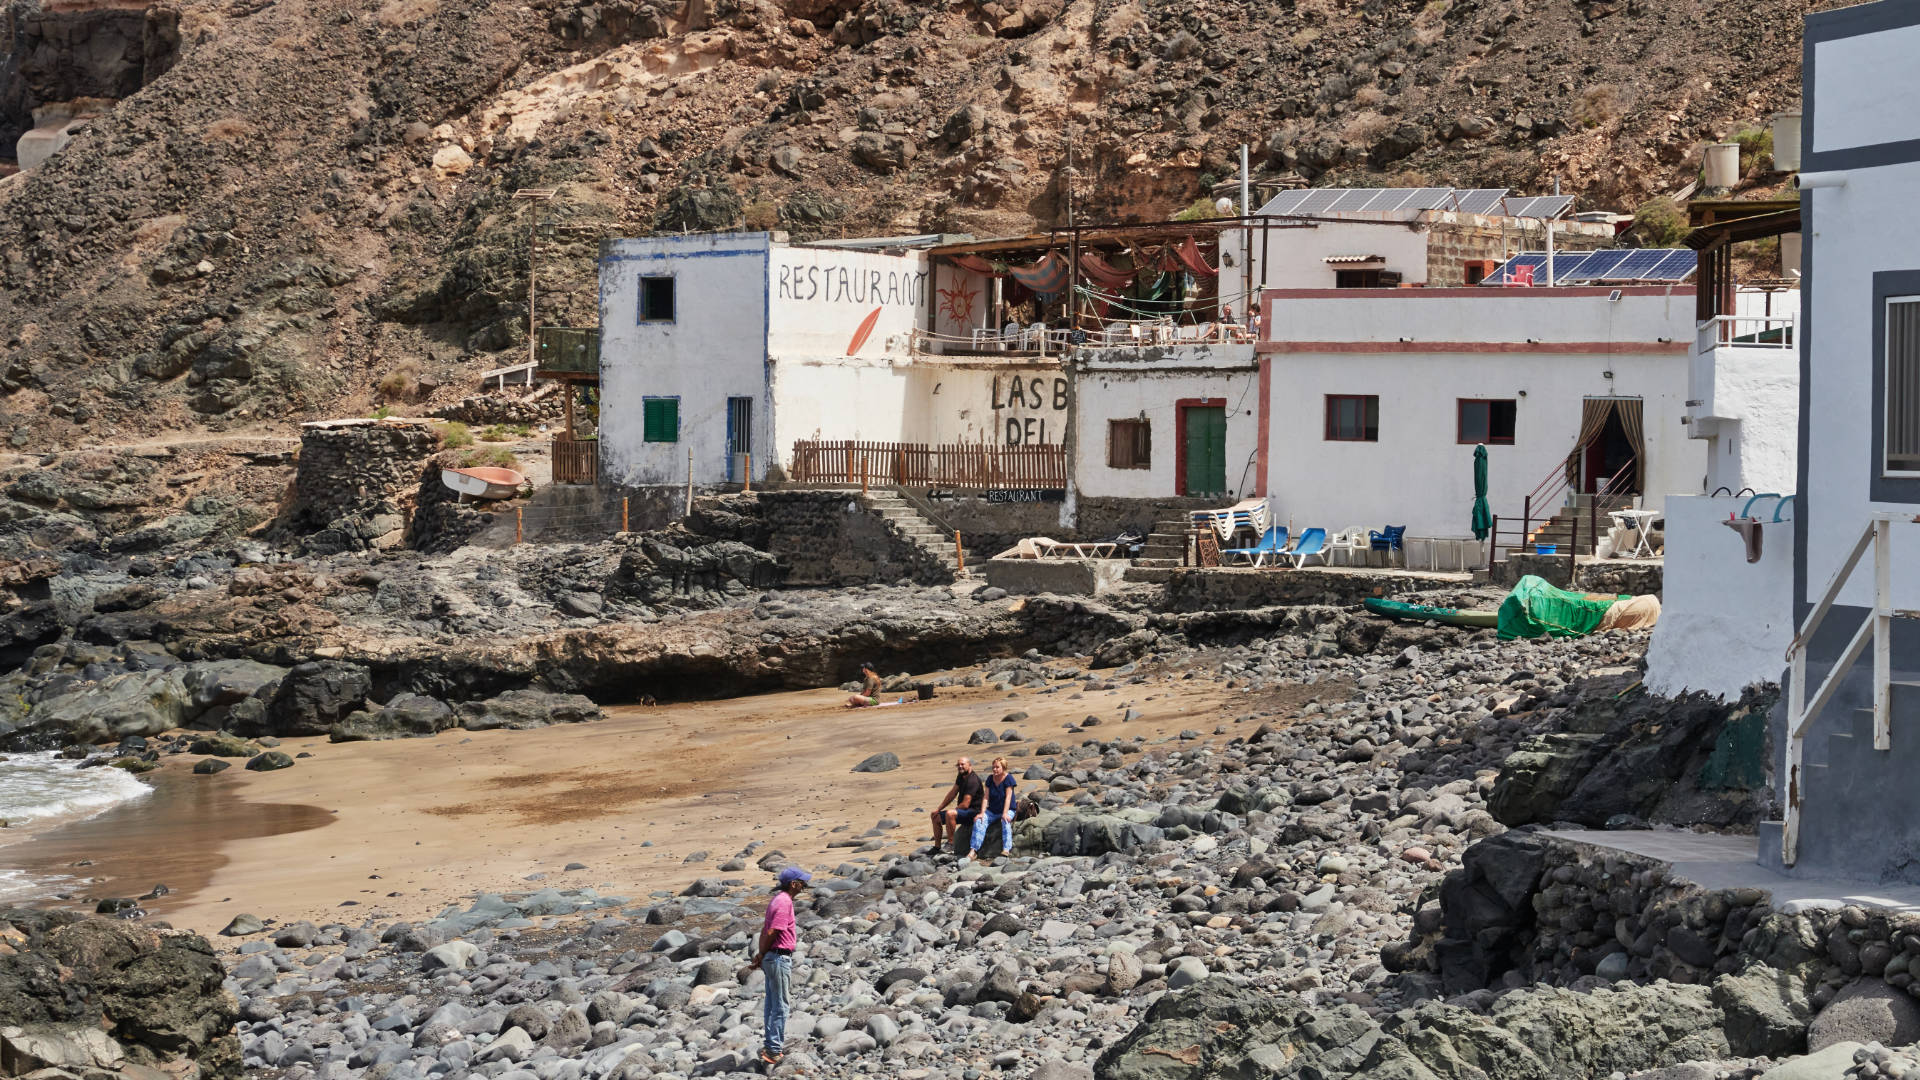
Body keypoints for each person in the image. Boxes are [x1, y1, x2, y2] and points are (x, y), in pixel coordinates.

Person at [739, 866, 810, 1067]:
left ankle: (771, 1045)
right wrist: (762, 953)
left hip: (772, 957)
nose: (805, 886)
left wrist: (761, 955)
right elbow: (772, 932)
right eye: (802, 883)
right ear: (794, 884)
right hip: (779, 957)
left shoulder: (778, 900)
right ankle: (773, 1050)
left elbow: (765, 931)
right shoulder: (784, 902)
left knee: (772, 1004)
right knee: (780, 1005)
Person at [968, 756, 1018, 861]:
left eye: (997, 767)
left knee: (1005, 821)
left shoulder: (1009, 779)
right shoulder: (990, 779)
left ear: (1003, 768)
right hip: (993, 810)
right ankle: (973, 850)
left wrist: (1005, 813)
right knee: (979, 821)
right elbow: (986, 797)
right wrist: (982, 813)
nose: (994, 769)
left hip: (1008, 809)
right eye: (993, 767)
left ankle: (1006, 849)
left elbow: (1008, 798)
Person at [930, 756, 983, 851]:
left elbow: (966, 804)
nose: (960, 766)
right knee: (935, 816)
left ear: (969, 765)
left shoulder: (973, 780)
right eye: (958, 765)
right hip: (964, 811)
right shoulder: (961, 776)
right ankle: (937, 847)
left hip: (974, 812)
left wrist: (953, 811)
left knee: (950, 814)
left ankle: (951, 843)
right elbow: (952, 793)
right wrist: (938, 809)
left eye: (962, 764)